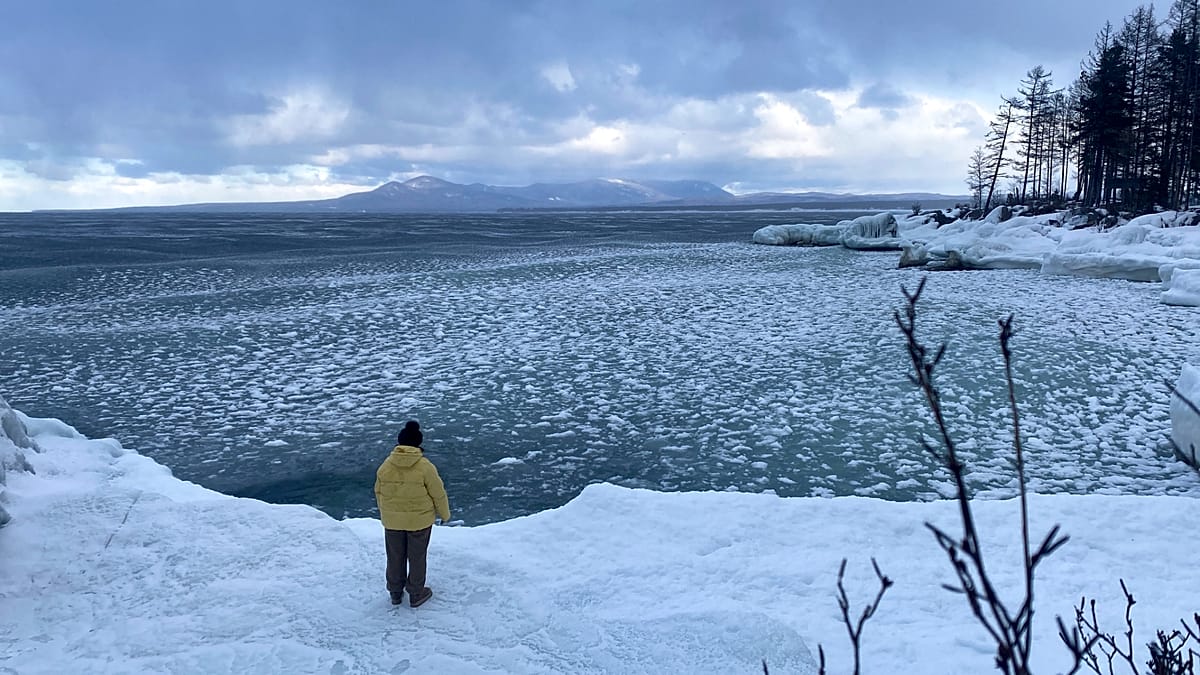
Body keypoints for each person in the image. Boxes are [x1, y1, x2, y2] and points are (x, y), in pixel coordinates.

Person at [374, 420, 451, 608]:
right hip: (419, 521)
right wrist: (445, 514)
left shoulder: (386, 465)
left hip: (392, 522)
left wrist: (386, 513)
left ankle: (395, 592)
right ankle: (416, 593)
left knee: (395, 556)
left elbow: (378, 491)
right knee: (416, 557)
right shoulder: (425, 466)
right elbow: (438, 493)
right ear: (418, 443)